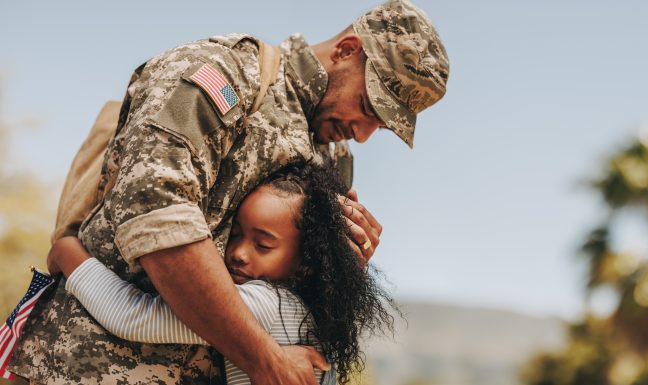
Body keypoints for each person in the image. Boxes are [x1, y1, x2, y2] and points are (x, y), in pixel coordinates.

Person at [7, 0, 448, 384]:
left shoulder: (332, 158)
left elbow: (290, 300)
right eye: (369, 107)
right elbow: (158, 218)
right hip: (94, 367)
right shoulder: (228, 74)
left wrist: (345, 261)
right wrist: (264, 359)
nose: (365, 133)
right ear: (348, 50)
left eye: (381, 125)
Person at [46, 164, 397, 385]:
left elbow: (133, 316)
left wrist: (66, 250)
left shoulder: (266, 304)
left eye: (263, 245)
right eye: (237, 234)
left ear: (305, 262)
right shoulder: (310, 312)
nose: (238, 254)